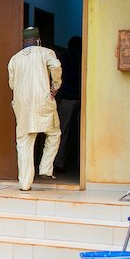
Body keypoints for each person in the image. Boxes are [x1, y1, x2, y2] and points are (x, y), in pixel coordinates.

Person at [8, 26, 63, 191]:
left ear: (24, 41)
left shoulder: (14, 59)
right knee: (54, 133)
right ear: (38, 40)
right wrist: (56, 85)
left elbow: (12, 84)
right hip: (43, 100)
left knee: (24, 141)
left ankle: (25, 184)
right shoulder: (46, 52)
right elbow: (56, 66)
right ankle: (45, 167)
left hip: (22, 104)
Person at [53, 36, 83, 175]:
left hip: (67, 99)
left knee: (62, 131)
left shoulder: (64, 58)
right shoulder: (84, 57)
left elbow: (59, 78)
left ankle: (59, 163)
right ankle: (82, 164)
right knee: (82, 133)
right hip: (83, 98)